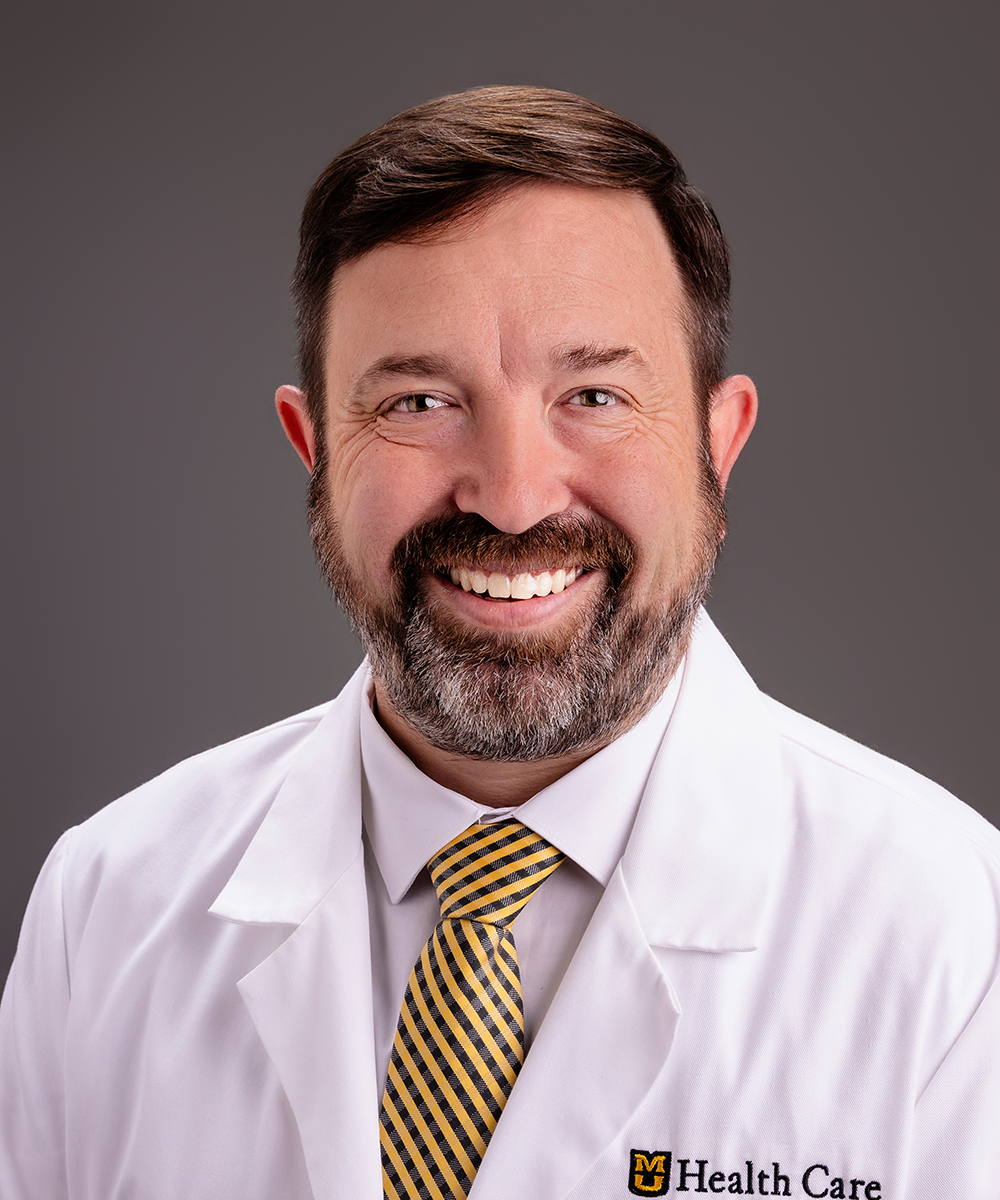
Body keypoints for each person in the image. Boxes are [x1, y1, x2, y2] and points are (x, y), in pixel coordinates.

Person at [1, 86, 998, 1200]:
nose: (515, 499)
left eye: (595, 395)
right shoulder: (107, 909)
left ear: (718, 447)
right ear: (312, 449)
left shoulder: (956, 939)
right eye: (420, 403)